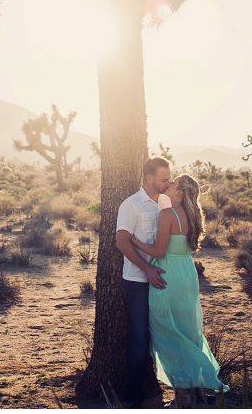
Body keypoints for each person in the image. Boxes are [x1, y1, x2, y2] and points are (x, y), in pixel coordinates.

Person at [127, 173, 227, 407]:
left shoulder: (167, 215)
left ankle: (183, 394)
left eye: (172, 184)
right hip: (186, 273)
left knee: (166, 331)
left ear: (180, 193)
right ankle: (196, 387)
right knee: (187, 329)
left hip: (167, 273)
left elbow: (159, 251)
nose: (167, 184)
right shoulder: (192, 216)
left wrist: (135, 242)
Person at [114, 156, 171, 407]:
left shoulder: (166, 202)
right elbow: (122, 241)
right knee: (138, 337)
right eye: (163, 178)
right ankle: (131, 397)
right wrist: (147, 269)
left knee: (160, 334)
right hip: (137, 280)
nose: (167, 182)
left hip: (161, 279)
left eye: (169, 178)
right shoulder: (131, 205)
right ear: (148, 177)